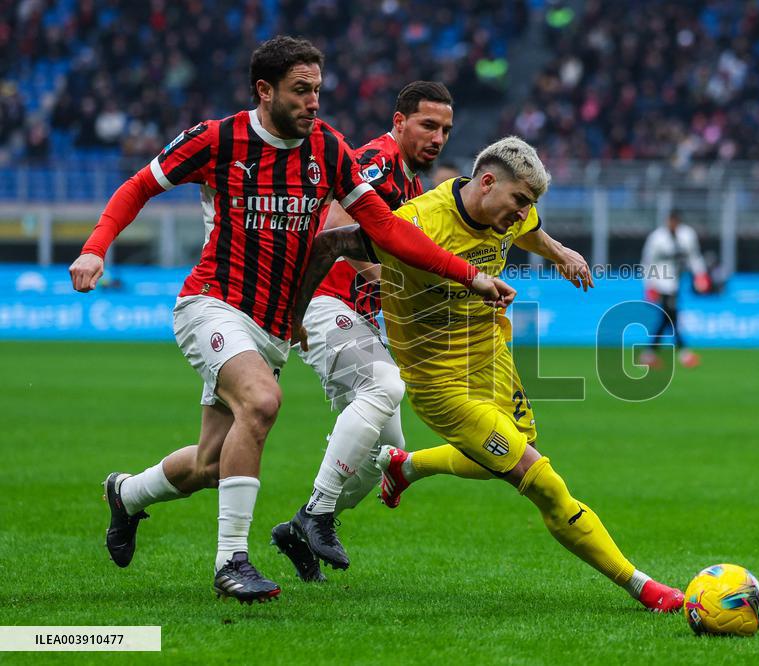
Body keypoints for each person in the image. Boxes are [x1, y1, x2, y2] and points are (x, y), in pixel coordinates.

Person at [69, 36, 513, 604]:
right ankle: (232, 561)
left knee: (209, 464)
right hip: (211, 303)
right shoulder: (217, 138)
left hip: (275, 327)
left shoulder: (327, 148)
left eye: (318, 91)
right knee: (262, 403)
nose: (313, 103)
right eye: (301, 91)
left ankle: (127, 494)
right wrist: (96, 246)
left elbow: (389, 230)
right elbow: (139, 187)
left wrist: (467, 274)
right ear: (266, 90)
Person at [367, 136, 685, 612]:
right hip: (440, 383)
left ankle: (405, 466)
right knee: (540, 479)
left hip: (490, 355)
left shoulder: (510, 210)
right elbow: (342, 238)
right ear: (488, 182)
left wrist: (562, 254)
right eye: (519, 200)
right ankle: (642, 586)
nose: (521, 213)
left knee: (509, 451)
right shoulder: (420, 221)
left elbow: (531, 231)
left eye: (529, 204)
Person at [269, 81, 455, 580]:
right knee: (386, 386)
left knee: (382, 458)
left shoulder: (414, 188)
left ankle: (296, 527)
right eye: (427, 125)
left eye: (445, 130)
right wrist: (391, 280)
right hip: (321, 300)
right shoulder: (376, 159)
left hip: (358, 314)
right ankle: (318, 513)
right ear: (399, 122)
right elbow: (332, 229)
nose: (438, 138)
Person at [639, 210, 708, 369]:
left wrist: (700, 275)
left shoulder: (687, 235)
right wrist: (649, 285)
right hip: (661, 283)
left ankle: (649, 354)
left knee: (667, 319)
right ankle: (684, 353)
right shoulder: (657, 238)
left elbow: (694, 257)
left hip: (676, 283)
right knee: (671, 317)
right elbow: (647, 262)